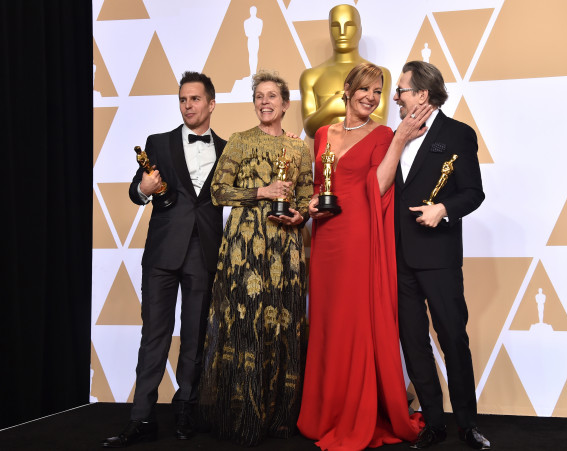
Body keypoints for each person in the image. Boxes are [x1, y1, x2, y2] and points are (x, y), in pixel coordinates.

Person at [297, 62, 433, 450]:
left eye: (378, 91)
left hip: (358, 234)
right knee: (327, 318)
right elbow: (321, 184)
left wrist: (399, 141)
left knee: (353, 321)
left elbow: (379, 184)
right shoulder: (322, 133)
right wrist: (310, 205)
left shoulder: (384, 133)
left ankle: (355, 412)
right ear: (347, 89)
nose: (372, 98)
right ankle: (327, 411)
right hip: (326, 237)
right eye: (366, 89)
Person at [102, 72, 227, 448]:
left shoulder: (226, 149)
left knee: (195, 337)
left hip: (203, 251)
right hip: (161, 254)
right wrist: (144, 189)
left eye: (194, 99)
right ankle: (141, 418)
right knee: (153, 335)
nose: (188, 105)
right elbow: (134, 191)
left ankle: (185, 407)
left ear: (211, 103)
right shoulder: (157, 143)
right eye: (183, 100)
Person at [197, 70, 313, 446]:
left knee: (283, 329)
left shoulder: (299, 149)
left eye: (271, 96)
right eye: (259, 97)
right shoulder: (239, 142)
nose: (265, 102)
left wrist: (301, 215)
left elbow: (307, 198)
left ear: (285, 104)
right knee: (245, 328)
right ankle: (241, 419)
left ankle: (280, 418)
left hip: (287, 250)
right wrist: (261, 191)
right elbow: (218, 191)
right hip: (245, 252)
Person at [392, 60, 491, 450]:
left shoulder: (457, 134)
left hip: (439, 255)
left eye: (402, 89)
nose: (396, 96)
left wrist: (443, 210)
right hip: (398, 257)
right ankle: (433, 422)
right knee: (413, 341)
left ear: (423, 94)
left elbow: (473, 192)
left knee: (452, 338)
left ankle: (467, 424)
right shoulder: (394, 135)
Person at [300, 3, 391, 138]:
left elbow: (380, 123)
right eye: (335, 26)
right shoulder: (311, 76)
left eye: (349, 25)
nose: (342, 32)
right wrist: (330, 107)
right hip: (326, 155)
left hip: (366, 154)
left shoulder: (379, 74)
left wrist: (345, 107)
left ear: (360, 30)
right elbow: (310, 129)